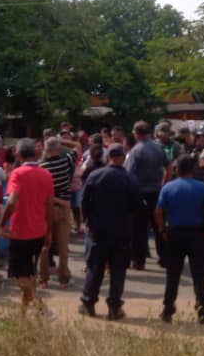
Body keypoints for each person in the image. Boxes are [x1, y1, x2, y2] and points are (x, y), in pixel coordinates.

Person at [78, 143, 143, 320]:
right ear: (123, 158)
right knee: (118, 270)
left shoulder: (95, 175)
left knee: (95, 267)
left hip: (99, 230)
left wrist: (88, 222)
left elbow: (84, 202)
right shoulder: (131, 180)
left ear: (109, 158)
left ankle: (88, 302)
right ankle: (114, 307)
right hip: (122, 231)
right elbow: (138, 208)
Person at [155, 155, 204, 325]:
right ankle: (202, 310)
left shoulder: (168, 187)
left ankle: (168, 310)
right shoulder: (203, 188)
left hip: (174, 234)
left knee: (173, 274)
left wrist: (162, 229)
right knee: (198, 274)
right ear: (193, 169)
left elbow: (159, 212)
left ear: (177, 170)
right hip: (197, 234)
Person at [1, 138, 56, 319]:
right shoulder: (46, 174)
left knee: (20, 275)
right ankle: (23, 314)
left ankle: (41, 306)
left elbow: (11, 201)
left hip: (20, 231)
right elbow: (49, 206)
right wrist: (49, 231)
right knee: (29, 274)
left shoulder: (18, 174)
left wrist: (2, 223)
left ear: (18, 154)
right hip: (39, 230)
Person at [125, 121, 170, 271]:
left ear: (136, 133)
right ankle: (164, 258)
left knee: (139, 229)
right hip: (157, 191)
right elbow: (168, 166)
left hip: (140, 193)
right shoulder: (158, 147)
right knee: (159, 226)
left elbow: (129, 174)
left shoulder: (136, 150)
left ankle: (139, 261)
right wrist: (164, 183)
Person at [38, 136, 76, 288]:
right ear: (58, 148)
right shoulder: (66, 160)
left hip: (47, 209)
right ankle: (63, 280)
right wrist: (64, 139)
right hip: (64, 207)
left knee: (45, 245)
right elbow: (78, 147)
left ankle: (44, 279)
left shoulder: (42, 168)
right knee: (63, 246)